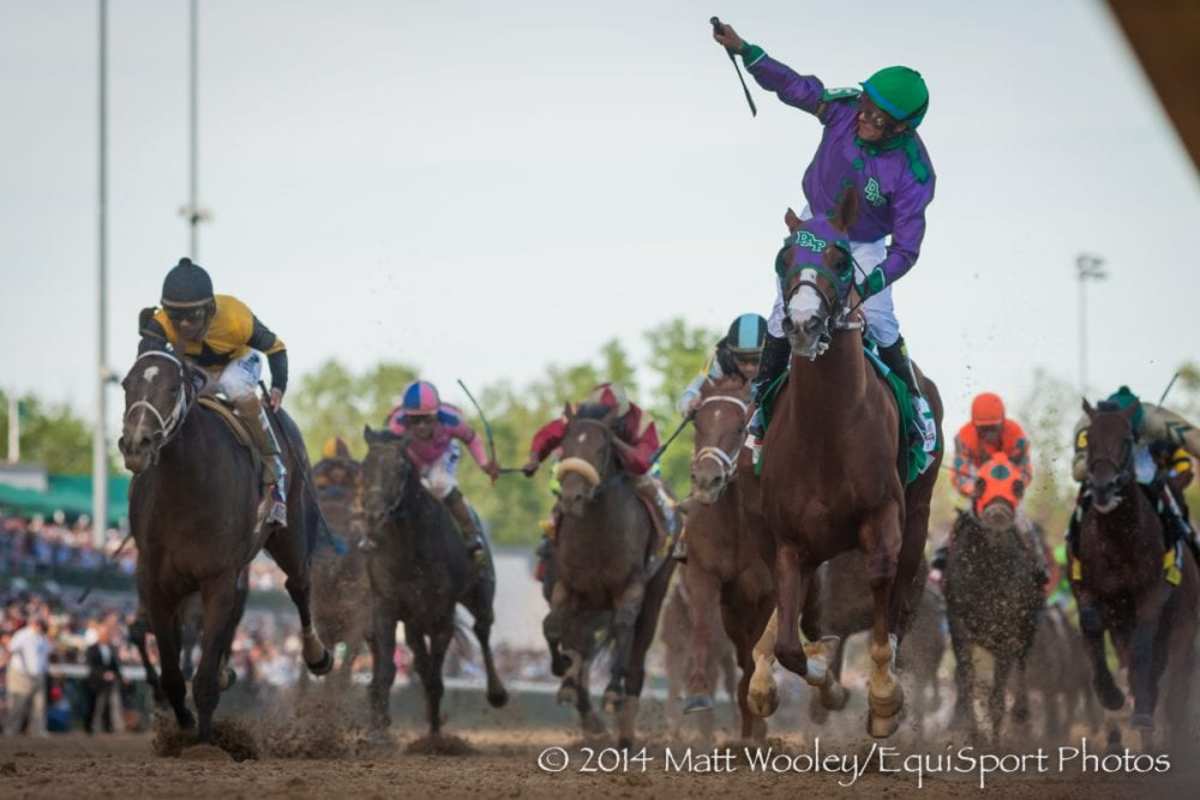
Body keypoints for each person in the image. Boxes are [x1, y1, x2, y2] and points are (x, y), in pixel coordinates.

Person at [711, 22, 938, 459]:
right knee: (784, 312)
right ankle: (761, 403)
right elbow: (795, 87)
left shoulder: (914, 172)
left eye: (879, 119)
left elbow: (907, 249)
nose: (866, 119)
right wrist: (746, 51)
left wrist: (866, 284)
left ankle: (914, 402)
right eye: (867, 106)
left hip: (867, 244)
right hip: (817, 225)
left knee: (882, 320)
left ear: (902, 130)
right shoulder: (842, 109)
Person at [138, 257, 291, 526]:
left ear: (209, 309)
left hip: (238, 363)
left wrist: (278, 386)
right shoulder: (161, 322)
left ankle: (274, 471)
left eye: (192, 316)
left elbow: (276, 348)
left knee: (234, 385)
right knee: (174, 391)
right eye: (176, 317)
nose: (183, 325)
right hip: (200, 370)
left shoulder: (235, 316)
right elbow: (148, 368)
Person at [522, 383, 677, 545]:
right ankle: (548, 542)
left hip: (633, 469)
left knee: (652, 488)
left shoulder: (640, 420)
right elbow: (548, 434)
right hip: (591, 465)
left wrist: (614, 440)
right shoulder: (579, 412)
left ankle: (669, 535)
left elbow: (643, 462)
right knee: (565, 489)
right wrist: (534, 458)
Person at [364, 380, 500, 562]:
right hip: (411, 456)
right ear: (406, 417)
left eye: (427, 419)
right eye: (415, 420)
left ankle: (471, 534)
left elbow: (472, 439)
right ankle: (374, 532)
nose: (421, 426)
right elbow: (387, 454)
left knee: (439, 483)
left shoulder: (452, 420)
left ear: (437, 415)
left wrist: (484, 464)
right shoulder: (397, 425)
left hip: (442, 455)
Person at [1067, 386, 1200, 561]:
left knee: (1167, 491)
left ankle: (1186, 538)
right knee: (1090, 488)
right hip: (1105, 460)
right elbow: (1078, 472)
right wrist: (1099, 458)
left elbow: (1194, 443)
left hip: (1142, 462)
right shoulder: (1087, 423)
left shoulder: (1152, 419)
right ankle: (1073, 545)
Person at [932, 392, 1047, 583]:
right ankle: (941, 560)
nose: (990, 434)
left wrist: (1017, 486)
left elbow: (1025, 470)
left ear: (1002, 421)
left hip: (1009, 493)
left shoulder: (1016, 435)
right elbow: (959, 474)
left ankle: (1039, 564)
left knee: (1024, 524)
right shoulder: (964, 437)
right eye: (984, 429)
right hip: (982, 491)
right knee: (960, 522)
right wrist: (973, 489)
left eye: (993, 428)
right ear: (975, 425)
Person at [676, 313, 767, 415]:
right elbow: (690, 393)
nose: (749, 368)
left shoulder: (781, 360)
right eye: (742, 360)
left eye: (756, 360)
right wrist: (689, 404)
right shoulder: (721, 362)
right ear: (731, 354)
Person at [4, 617, 49, 736]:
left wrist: (45, 670)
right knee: (18, 704)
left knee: (39, 705)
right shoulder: (22, 635)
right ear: (34, 623)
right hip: (21, 675)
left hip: (38, 674)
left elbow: (43, 656)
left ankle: (38, 730)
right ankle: (11, 730)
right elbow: (11, 649)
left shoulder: (42, 637)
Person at [83, 617, 125, 734]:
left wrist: (119, 676)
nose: (106, 636)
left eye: (107, 633)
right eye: (103, 633)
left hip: (109, 682)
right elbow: (91, 666)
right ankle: (89, 728)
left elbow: (115, 666)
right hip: (95, 681)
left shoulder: (111, 648)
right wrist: (103, 674)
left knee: (108, 706)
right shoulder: (92, 649)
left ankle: (108, 728)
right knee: (93, 705)